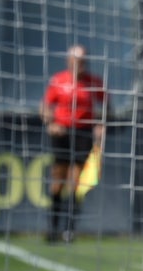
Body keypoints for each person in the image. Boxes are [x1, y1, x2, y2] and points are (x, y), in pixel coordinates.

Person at [40, 44, 106, 243]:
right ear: (69, 61)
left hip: (83, 133)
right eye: (76, 60)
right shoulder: (58, 81)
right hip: (62, 132)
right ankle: (52, 228)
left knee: (76, 182)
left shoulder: (94, 82)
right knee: (57, 181)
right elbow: (45, 106)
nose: (80, 64)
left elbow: (105, 107)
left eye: (83, 60)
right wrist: (51, 123)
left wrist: (100, 124)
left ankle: (69, 230)